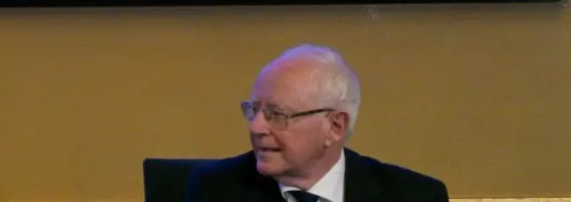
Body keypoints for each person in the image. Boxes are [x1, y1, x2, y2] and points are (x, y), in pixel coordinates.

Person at [184, 45, 448, 202]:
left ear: (334, 127)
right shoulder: (216, 190)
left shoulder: (415, 196)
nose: (256, 128)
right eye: (254, 110)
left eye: (277, 114)